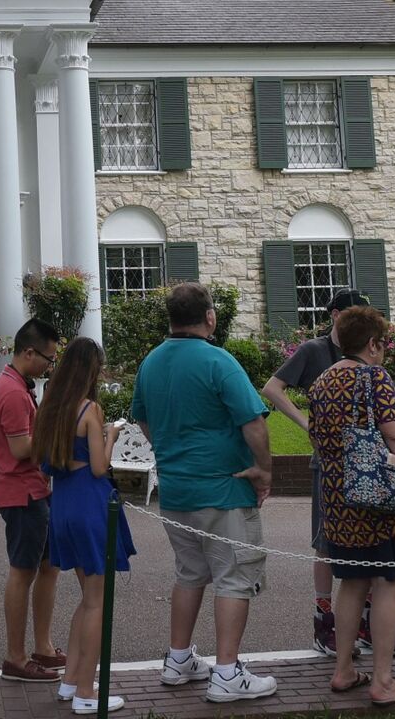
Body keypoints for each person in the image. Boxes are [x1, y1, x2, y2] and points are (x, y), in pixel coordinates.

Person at [130, 282, 277, 703]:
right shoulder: (219, 361)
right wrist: (264, 471)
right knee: (234, 576)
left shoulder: (151, 363)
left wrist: (171, 449)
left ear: (171, 318)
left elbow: (143, 421)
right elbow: (254, 423)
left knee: (190, 573)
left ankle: (179, 659)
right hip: (225, 488)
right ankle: (227, 672)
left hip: (176, 490)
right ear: (210, 317)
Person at [308, 306, 395, 709]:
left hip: (338, 498)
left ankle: (343, 670)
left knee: (353, 582)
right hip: (378, 501)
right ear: (374, 343)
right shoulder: (373, 376)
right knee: (388, 583)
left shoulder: (323, 380)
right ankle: (383, 681)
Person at [259, 288, 370, 654]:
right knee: (326, 543)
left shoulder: (367, 350)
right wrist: (306, 423)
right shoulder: (313, 351)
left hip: (364, 462)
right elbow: (273, 388)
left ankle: (364, 625)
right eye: (355, 313)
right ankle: (325, 626)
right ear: (336, 315)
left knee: (366, 541)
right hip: (327, 461)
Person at [35, 337, 135, 714]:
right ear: (90, 370)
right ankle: (87, 693)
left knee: (86, 598)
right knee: (97, 602)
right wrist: (111, 436)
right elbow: (98, 466)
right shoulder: (90, 409)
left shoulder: (51, 408)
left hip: (62, 502)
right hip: (90, 503)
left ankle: (71, 680)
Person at [0, 316, 66, 683]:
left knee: (48, 566)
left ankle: (43, 647)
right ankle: (16, 658)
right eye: (49, 359)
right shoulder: (14, 392)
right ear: (29, 352)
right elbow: (21, 448)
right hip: (22, 491)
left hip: (33, 489)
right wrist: (60, 438)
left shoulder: (16, 384)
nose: (50, 365)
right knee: (23, 571)